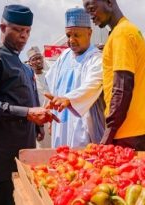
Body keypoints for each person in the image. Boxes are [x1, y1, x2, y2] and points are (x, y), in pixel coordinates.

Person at [0, 5, 56, 205]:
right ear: (3, 28)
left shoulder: (19, 63)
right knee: (6, 198)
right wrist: (27, 113)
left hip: (23, 147)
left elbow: (27, 97)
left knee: (22, 195)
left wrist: (37, 124)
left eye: (27, 31)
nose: (24, 36)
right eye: (18, 30)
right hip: (2, 150)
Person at [83, 0, 145, 150]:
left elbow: (122, 87)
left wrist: (109, 131)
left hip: (127, 132)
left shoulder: (122, 34)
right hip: (137, 128)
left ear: (109, 2)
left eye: (92, 9)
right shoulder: (128, 30)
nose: (91, 16)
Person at [45, 8, 105, 148]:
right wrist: (50, 114)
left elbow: (92, 85)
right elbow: (52, 87)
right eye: (68, 35)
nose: (71, 40)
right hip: (61, 120)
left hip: (83, 121)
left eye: (76, 35)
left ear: (89, 33)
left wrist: (69, 99)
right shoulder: (64, 56)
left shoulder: (96, 59)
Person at [27, 46, 51, 148]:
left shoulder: (50, 75)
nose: (38, 61)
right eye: (34, 59)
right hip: (38, 119)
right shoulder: (29, 78)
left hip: (52, 119)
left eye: (39, 58)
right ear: (30, 63)